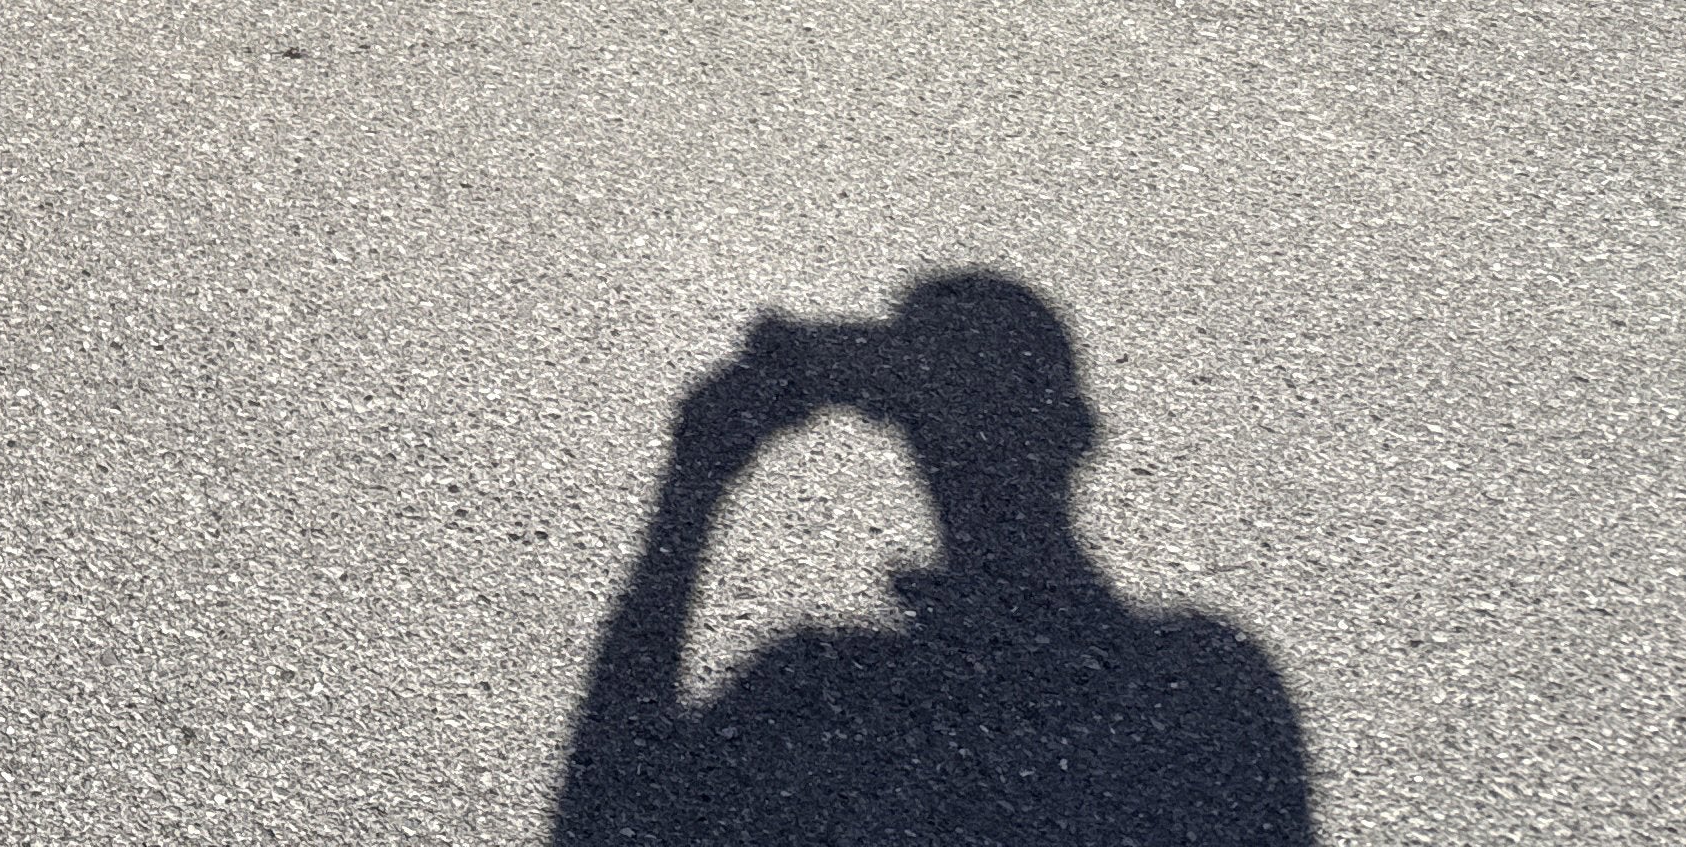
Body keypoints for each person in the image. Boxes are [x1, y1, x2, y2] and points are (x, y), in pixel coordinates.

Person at [551, 274, 1314, 845]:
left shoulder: (828, 697)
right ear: (1080, 430)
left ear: (898, 425)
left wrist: (690, 497)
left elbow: (610, 810)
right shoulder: (1217, 687)